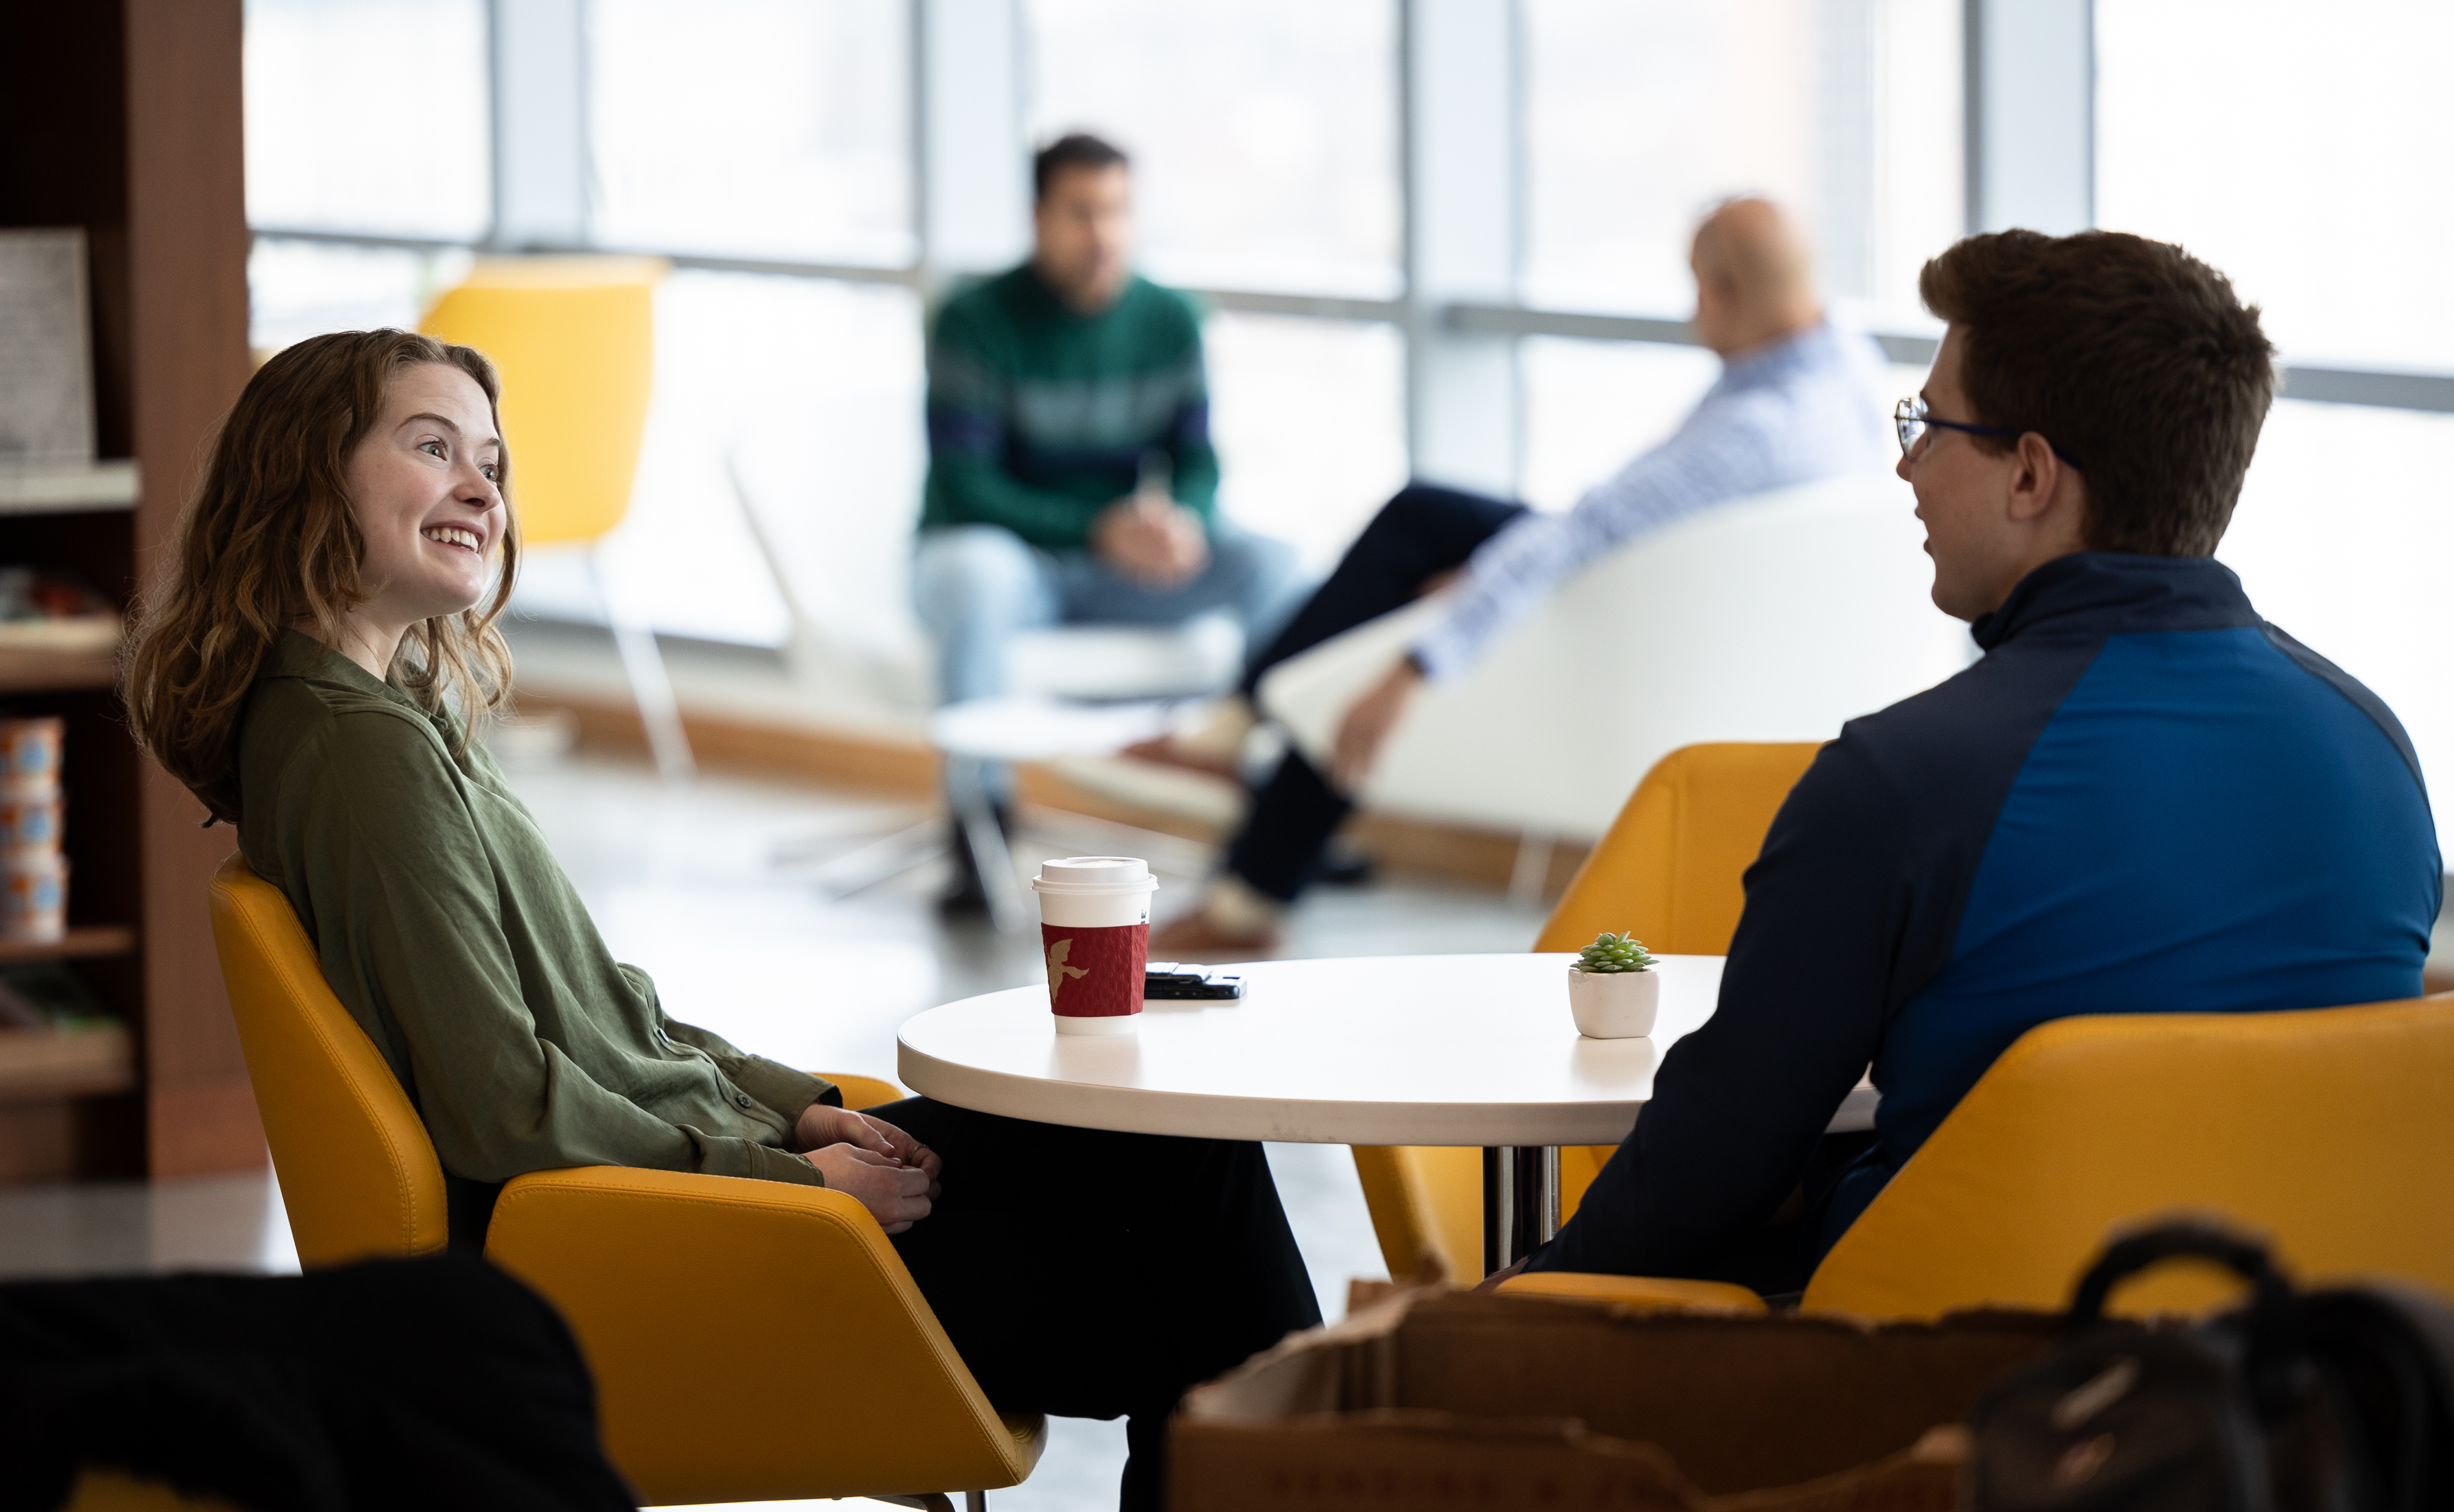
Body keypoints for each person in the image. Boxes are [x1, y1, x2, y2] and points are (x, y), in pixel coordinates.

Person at [121, 330, 1320, 1512]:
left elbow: (608, 1014)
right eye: (431, 447)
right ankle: (1339, 1458)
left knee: (1171, 1159)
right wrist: (790, 1175)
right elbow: (501, 1109)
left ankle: (1318, 1456)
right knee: (1202, 1299)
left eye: (490, 459)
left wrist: (800, 1107)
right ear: (303, 476)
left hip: (670, 1186)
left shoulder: (367, 718)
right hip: (624, 1241)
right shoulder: (356, 753)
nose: (479, 487)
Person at [1513, 229, 2440, 1295]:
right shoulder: (2377, 754)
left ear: (2033, 475)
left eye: (1930, 426)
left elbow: (1706, 1172)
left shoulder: (1902, 783)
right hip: (2318, 1392)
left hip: (1954, 1393)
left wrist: (1504, 1303)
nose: (1906, 464)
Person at [1151, 197, 1891, 952]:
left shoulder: (1751, 435)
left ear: (1724, 293)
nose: (1691, 311)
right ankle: (1244, 784)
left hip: (1625, 639)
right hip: (1719, 633)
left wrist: (1418, 660)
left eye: (1696, 287)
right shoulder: (1852, 379)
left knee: (1419, 523)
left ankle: (1239, 742)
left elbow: (1584, 533)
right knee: (1435, 536)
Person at [915, 133, 1303, 913]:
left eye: (1118, 211)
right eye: (1082, 213)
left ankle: (1281, 813)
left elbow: (1198, 462)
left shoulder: (1170, 320)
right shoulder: (973, 320)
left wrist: (1181, 523)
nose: (1104, 235)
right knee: (976, 572)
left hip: (1117, 567)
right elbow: (968, 489)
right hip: (1016, 563)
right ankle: (978, 825)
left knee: (1274, 565)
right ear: (1038, 218)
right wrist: (1100, 525)